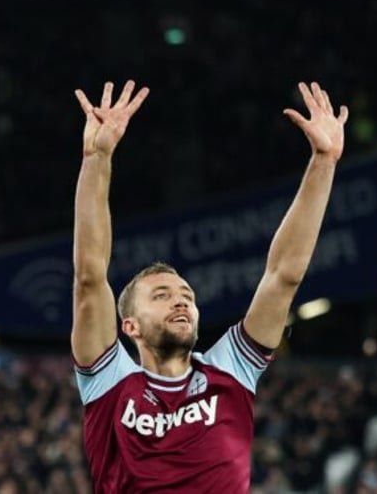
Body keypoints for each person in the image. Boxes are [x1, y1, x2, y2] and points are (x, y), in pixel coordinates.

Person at [71, 79, 348, 493]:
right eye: (161, 296)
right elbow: (90, 275)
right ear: (129, 325)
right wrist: (98, 158)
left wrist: (324, 162)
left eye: (187, 296)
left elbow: (283, 275)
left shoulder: (231, 371)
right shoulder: (109, 380)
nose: (181, 303)